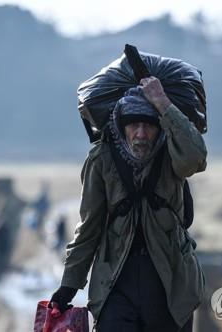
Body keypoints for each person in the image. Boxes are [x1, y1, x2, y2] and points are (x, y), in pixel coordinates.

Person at [49, 77, 207, 332]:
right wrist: (69, 285)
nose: (141, 134)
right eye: (134, 125)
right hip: (116, 280)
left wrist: (163, 103)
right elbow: (89, 226)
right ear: (122, 127)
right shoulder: (101, 161)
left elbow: (196, 159)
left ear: (161, 127)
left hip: (170, 282)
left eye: (149, 125)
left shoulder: (173, 155)